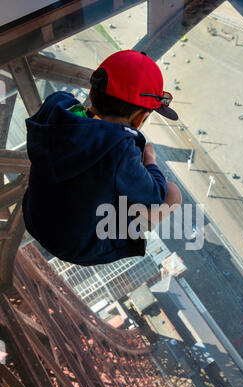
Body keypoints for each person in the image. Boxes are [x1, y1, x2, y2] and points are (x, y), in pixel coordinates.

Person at [22, 50, 182, 266]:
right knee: (172, 194)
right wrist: (150, 160)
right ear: (139, 118)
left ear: (92, 91)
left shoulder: (56, 106)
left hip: (35, 217)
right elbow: (155, 195)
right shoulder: (120, 150)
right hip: (80, 247)